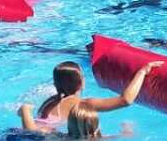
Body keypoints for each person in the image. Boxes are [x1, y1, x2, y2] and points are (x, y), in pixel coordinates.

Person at [17, 58, 159, 135]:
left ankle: (25, 111)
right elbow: (125, 100)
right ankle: (25, 111)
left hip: (32, 137)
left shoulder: (49, 103)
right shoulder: (84, 104)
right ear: (82, 83)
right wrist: (142, 72)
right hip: (44, 140)